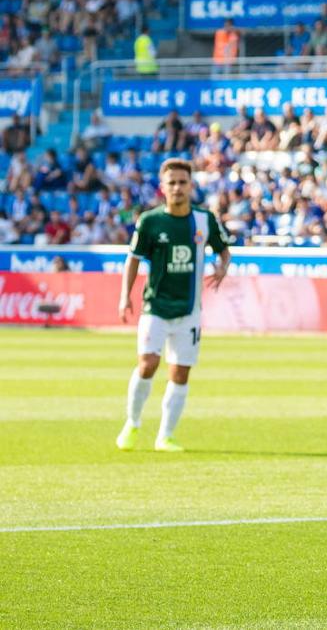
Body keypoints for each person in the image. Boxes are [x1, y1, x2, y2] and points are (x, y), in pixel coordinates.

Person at [115, 158, 231, 452]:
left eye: (183, 182)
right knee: (148, 364)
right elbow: (133, 259)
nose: (178, 187)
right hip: (155, 307)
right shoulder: (150, 221)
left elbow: (223, 250)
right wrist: (124, 295)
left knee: (179, 373)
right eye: (172, 183)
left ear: (191, 186)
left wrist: (222, 267)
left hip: (189, 311)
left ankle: (165, 435)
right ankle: (133, 422)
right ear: (162, 188)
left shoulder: (204, 220)